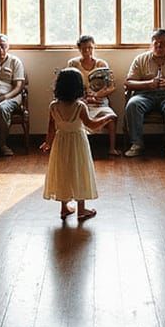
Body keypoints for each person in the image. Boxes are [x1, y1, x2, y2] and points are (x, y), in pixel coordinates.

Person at [41, 68, 113, 221]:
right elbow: (91, 125)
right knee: (80, 172)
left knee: (63, 172)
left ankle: (64, 207)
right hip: (78, 143)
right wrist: (107, 117)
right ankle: (81, 209)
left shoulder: (53, 106)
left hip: (60, 143)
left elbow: (51, 129)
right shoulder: (80, 106)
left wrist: (47, 143)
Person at [123, 28, 165, 159]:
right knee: (132, 104)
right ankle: (136, 144)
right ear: (151, 44)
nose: (159, 46)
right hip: (144, 95)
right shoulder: (140, 59)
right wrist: (148, 84)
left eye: (163, 43)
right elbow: (128, 83)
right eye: (156, 43)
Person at [66, 35, 120, 156]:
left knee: (111, 118)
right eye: (84, 48)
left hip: (99, 100)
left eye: (90, 48)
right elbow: (69, 85)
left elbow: (112, 86)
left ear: (94, 47)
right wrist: (85, 98)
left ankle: (112, 148)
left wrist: (98, 94)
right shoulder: (73, 64)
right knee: (77, 115)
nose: (87, 51)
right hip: (81, 100)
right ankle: (79, 148)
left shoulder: (101, 64)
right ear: (79, 49)